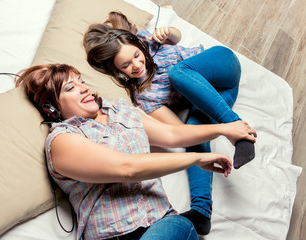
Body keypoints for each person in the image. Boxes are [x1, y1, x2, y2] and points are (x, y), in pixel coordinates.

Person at [15, 64, 256, 240]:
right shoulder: (63, 140)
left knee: (180, 226)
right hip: (112, 236)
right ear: (51, 109)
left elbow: (171, 135)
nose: (84, 88)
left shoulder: (123, 110)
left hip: (163, 224)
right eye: (70, 87)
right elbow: (127, 168)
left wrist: (224, 128)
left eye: (81, 81)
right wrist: (197, 158)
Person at [83, 11, 257, 235]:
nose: (136, 64)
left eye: (137, 55)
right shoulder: (143, 97)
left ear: (140, 46)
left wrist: (168, 33)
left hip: (221, 66)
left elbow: (176, 37)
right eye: (126, 65)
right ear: (118, 71)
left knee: (178, 72)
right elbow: (178, 131)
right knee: (194, 131)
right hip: (219, 96)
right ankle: (201, 211)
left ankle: (238, 130)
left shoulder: (149, 42)